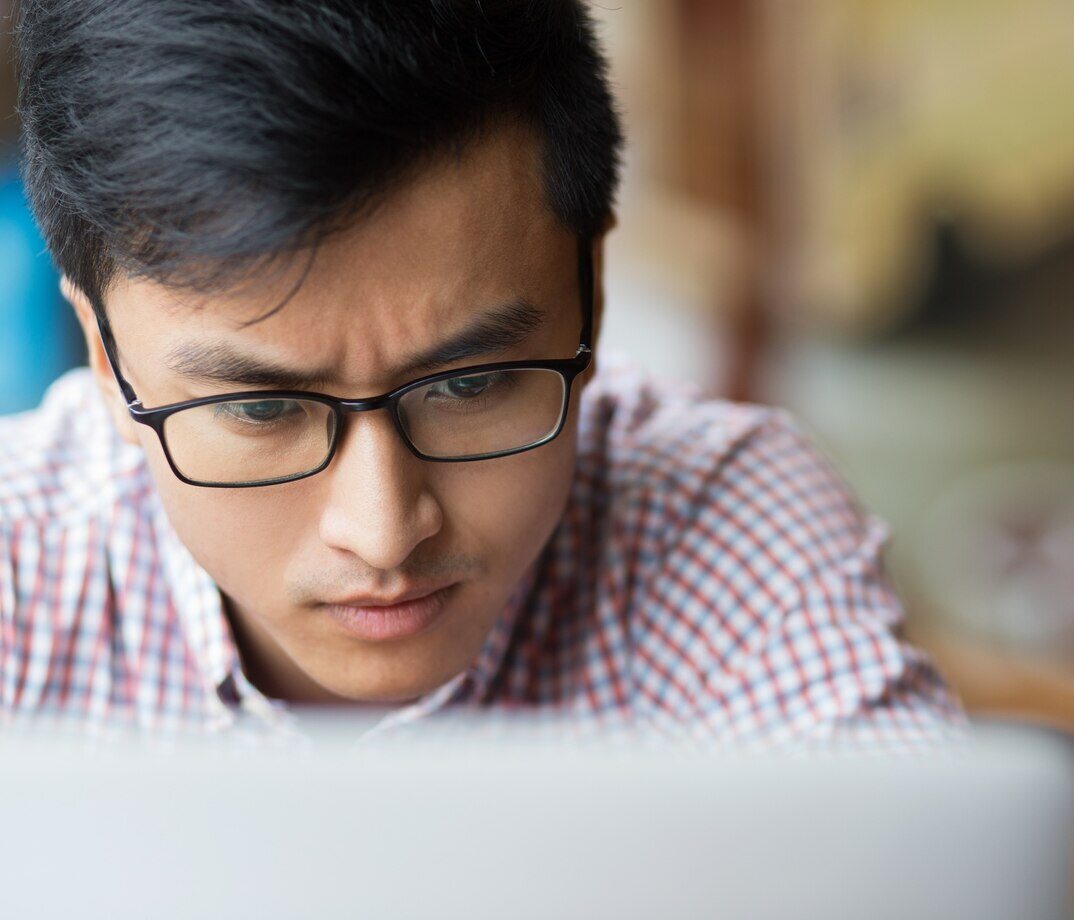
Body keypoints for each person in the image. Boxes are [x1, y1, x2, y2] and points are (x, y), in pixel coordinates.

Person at [0, 0, 962, 746]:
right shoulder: (20, 570)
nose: (384, 533)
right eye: (261, 408)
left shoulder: (718, 527)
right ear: (105, 355)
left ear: (590, 290)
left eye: (467, 386)